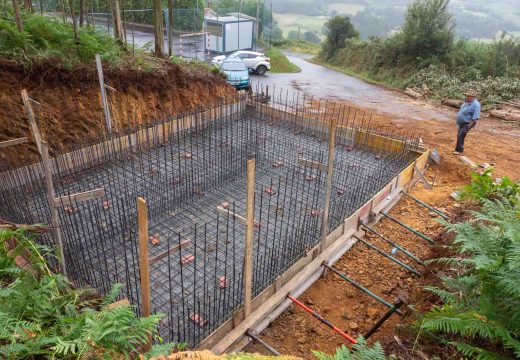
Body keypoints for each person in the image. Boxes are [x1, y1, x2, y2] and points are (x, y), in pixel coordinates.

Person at [454, 90, 480, 155]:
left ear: (473, 97)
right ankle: (459, 149)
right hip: (461, 123)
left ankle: (459, 151)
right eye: (467, 95)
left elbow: (475, 118)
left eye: (468, 96)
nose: (467, 96)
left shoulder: (476, 105)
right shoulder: (466, 102)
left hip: (468, 123)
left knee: (461, 135)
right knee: (459, 135)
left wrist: (468, 126)